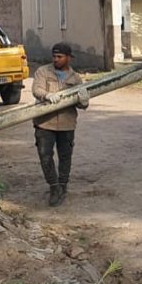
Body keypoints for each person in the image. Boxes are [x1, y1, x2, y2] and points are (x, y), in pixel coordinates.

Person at [32, 42, 89, 206]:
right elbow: (37, 89)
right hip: (45, 123)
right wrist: (47, 95)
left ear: (69, 58)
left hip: (66, 124)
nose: (56, 59)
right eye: (54, 56)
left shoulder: (75, 78)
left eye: (60, 56)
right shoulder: (43, 72)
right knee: (45, 155)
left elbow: (82, 105)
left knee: (65, 156)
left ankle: (63, 185)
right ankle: (54, 186)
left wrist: (84, 101)